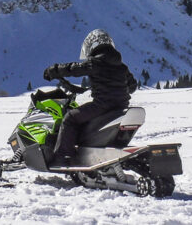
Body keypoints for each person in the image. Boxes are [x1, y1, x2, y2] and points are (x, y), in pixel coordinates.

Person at [43, 29, 138, 167]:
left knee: (70, 118)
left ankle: (63, 157)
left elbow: (74, 69)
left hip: (102, 105)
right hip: (121, 106)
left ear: (92, 45)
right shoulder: (121, 66)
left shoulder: (96, 62)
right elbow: (133, 86)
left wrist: (54, 70)